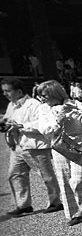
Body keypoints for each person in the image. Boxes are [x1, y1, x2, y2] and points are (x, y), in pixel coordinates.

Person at [20, 80, 82, 226]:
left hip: (78, 146)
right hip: (59, 147)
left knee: (77, 180)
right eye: (40, 96)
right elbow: (45, 130)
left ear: (54, 93)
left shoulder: (76, 104)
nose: (42, 99)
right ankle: (75, 213)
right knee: (63, 180)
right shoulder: (43, 109)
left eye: (44, 95)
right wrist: (57, 121)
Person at [1, 77, 62, 217]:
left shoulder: (34, 104)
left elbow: (42, 124)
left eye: (8, 91)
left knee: (46, 175)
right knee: (15, 175)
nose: (5, 94)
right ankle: (23, 205)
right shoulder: (12, 105)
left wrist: (21, 126)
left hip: (35, 146)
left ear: (19, 91)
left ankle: (55, 201)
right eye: (3, 91)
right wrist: (5, 125)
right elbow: (7, 119)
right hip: (17, 146)